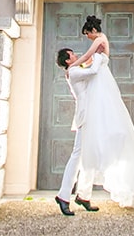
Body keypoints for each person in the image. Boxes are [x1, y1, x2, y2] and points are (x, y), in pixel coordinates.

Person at [62, 14, 134, 212]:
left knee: (92, 148)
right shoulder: (76, 69)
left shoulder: (99, 40)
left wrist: (78, 62)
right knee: (83, 151)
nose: (87, 38)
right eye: (71, 55)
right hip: (88, 109)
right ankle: (73, 195)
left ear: (92, 31)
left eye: (87, 34)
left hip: (96, 99)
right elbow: (89, 63)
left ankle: (83, 195)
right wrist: (74, 65)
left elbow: (89, 58)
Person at [54, 47, 101, 216]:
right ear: (67, 60)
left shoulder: (76, 69)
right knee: (77, 155)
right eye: (72, 54)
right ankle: (63, 196)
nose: (75, 55)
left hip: (91, 114)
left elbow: (88, 68)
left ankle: (83, 196)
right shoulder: (73, 72)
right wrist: (98, 53)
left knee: (89, 155)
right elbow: (94, 70)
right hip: (85, 115)